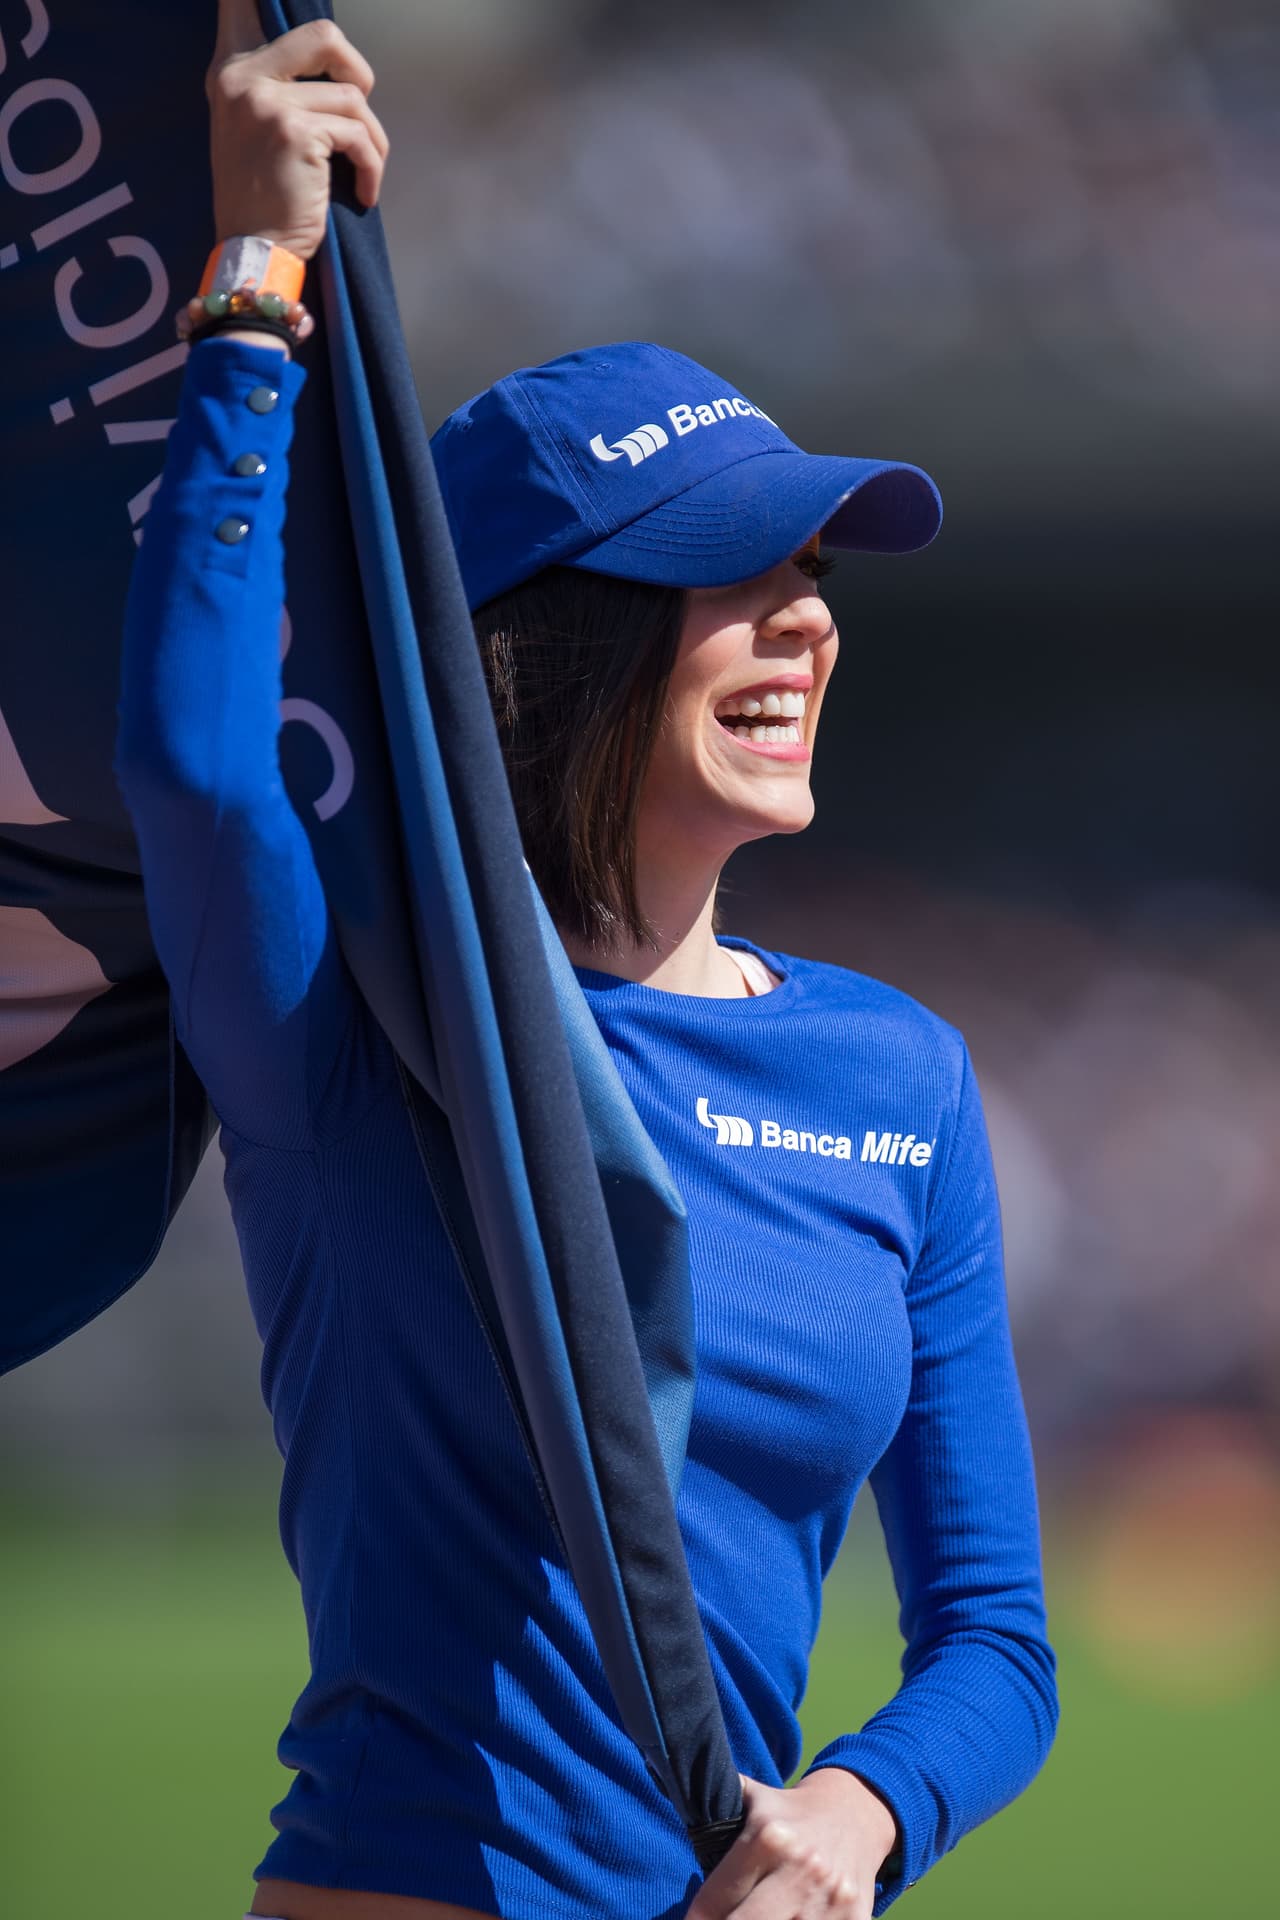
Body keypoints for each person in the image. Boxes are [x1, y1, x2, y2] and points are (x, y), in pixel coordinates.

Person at [114, 7, 1058, 1918]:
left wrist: (865, 1810)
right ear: (539, 654)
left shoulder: (904, 1077)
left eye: (816, 570)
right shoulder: (366, 1024)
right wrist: (251, 282)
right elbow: (199, 764)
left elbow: (997, 1643)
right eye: (731, 570)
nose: (806, 623)